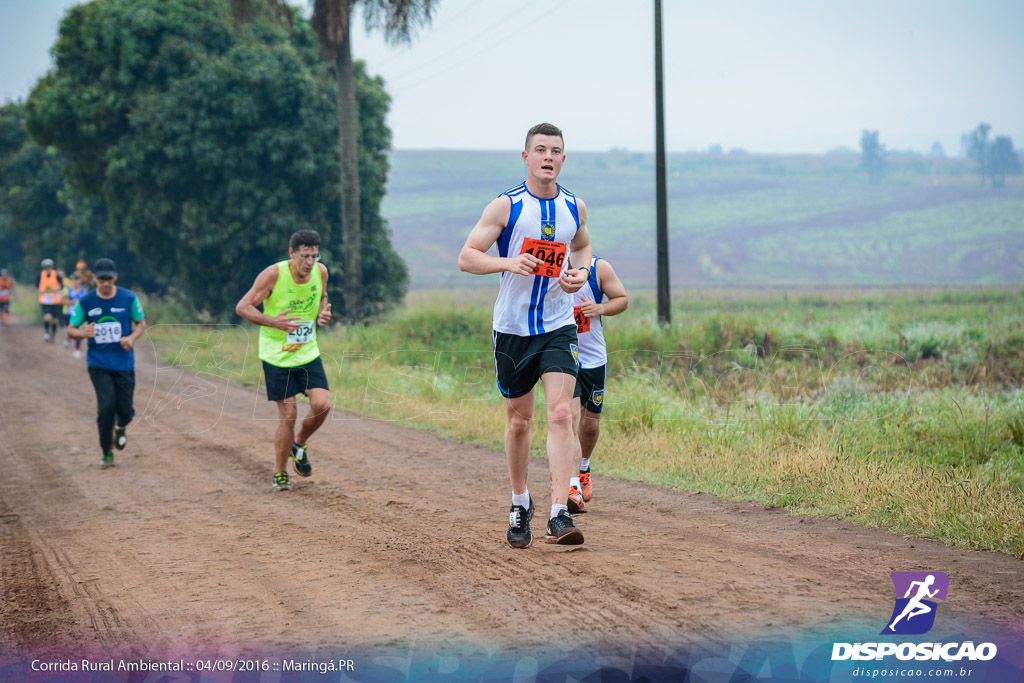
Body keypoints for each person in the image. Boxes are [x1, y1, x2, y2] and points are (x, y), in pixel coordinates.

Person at [458, 122, 593, 547]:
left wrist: (581, 273)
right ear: (526, 157)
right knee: (519, 422)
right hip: (513, 328)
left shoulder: (575, 207)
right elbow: (467, 258)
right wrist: (508, 263)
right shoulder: (505, 206)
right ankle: (520, 501)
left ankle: (557, 513)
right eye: (540, 150)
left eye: (555, 151)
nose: (548, 157)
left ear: (563, 159)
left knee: (559, 414)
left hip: (558, 324)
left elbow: (583, 247)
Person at [236, 230, 333, 492]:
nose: (309, 262)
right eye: (304, 256)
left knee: (322, 404)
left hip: (307, 352)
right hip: (277, 356)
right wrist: (273, 321)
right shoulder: (273, 275)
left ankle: (298, 444)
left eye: (314, 256)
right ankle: (280, 473)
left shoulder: (320, 272)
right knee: (289, 414)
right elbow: (243, 307)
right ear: (292, 253)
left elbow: (323, 296)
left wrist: (324, 311)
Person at [67, 258, 147, 468]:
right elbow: (71, 329)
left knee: (126, 410)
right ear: (94, 278)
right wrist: (83, 333)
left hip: (123, 363)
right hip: (98, 362)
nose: (105, 283)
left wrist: (132, 338)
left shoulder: (128, 298)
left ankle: (121, 426)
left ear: (115, 277)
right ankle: (106, 451)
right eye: (101, 279)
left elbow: (141, 324)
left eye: (108, 279)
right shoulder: (86, 302)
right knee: (106, 407)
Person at [567, 255, 629, 511]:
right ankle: (571, 488)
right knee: (567, 420)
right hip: (561, 355)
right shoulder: (550, 263)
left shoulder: (597, 268)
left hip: (593, 358)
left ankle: (583, 469)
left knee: (589, 424)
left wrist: (600, 309)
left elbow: (622, 299)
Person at [62, 274, 88, 357]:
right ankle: (67, 339)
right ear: (72, 281)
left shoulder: (84, 291)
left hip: (79, 315)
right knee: (69, 331)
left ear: (80, 281)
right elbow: (61, 301)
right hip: (68, 313)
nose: (76, 282)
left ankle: (77, 350)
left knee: (79, 330)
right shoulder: (67, 290)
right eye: (74, 280)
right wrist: (71, 302)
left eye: (77, 280)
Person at [37, 258, 63, 342]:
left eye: (49, 266)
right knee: (48, 318)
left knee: (55, 320)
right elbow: (37, 286)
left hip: (55, 301)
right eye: (46, 267)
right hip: (44, 300)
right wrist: (40, 290)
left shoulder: (56, 275)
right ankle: (47, 332)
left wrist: (56, 288)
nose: (48, 268)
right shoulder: (40, 275)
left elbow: (61, 286)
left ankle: (53, 336)